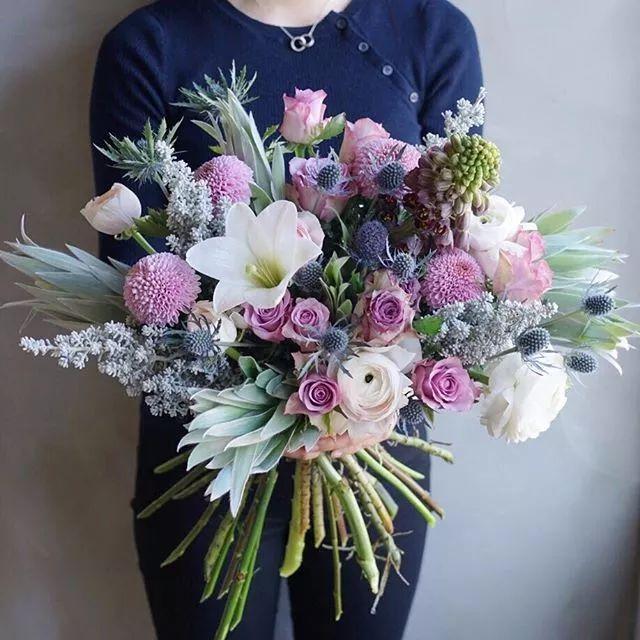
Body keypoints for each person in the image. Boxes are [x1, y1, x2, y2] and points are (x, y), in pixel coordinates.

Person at [90, 1, 482, 638]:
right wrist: (277, 389)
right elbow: (135, 274)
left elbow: (459, 257)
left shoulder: (432, 34)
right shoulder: (149, 45)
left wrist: (367, 402)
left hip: (374, 447)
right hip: (206, 451)